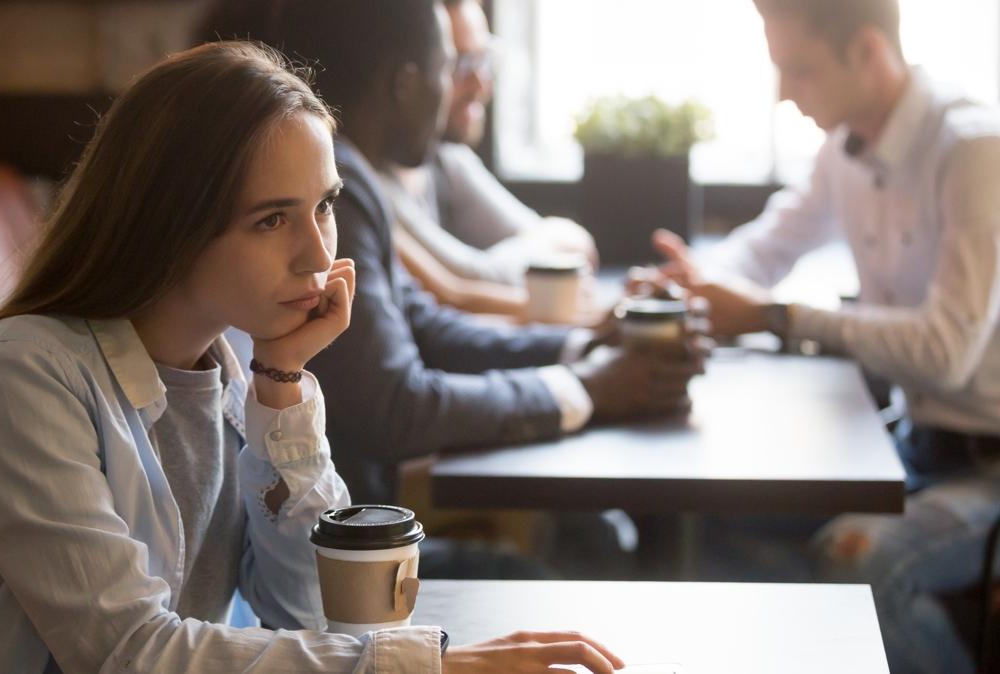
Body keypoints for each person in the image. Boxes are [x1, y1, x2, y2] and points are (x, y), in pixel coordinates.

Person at [0, 41, 626, 673]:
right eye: (273, 218)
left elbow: (305, 610)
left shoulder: (238, 361)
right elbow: (129, 655)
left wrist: (282, 386)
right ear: (169, 223)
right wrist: (420, 662)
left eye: (325, 207)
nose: (316, 254)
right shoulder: (23, 376)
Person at [205, 0, 706, 508]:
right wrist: (586, 388)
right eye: (446, 67)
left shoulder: (351, 182)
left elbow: (428, 325)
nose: (452, 92)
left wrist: (583, 345)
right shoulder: (338, 188)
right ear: (404, 83)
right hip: (353, 528)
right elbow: (397, 408)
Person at [642, 1, 1000, 671]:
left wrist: (780, 316)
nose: (782, 94)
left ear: (866, 52)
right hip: (913, 449)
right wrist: (693, 285)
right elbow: (767, 248)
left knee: (856, 561)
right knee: (720, 516)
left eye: (798, 70)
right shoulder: (845, 148)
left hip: (988, 470)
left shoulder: (974, 148)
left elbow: (948, 353)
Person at [379, 0, 601, 317]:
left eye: (484, 60)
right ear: (406, 78)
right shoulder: (362, 183)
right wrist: (549, 279)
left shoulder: (446, 159)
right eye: (460, 64)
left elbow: (575, 244)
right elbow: (466, 283)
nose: (482, 84)